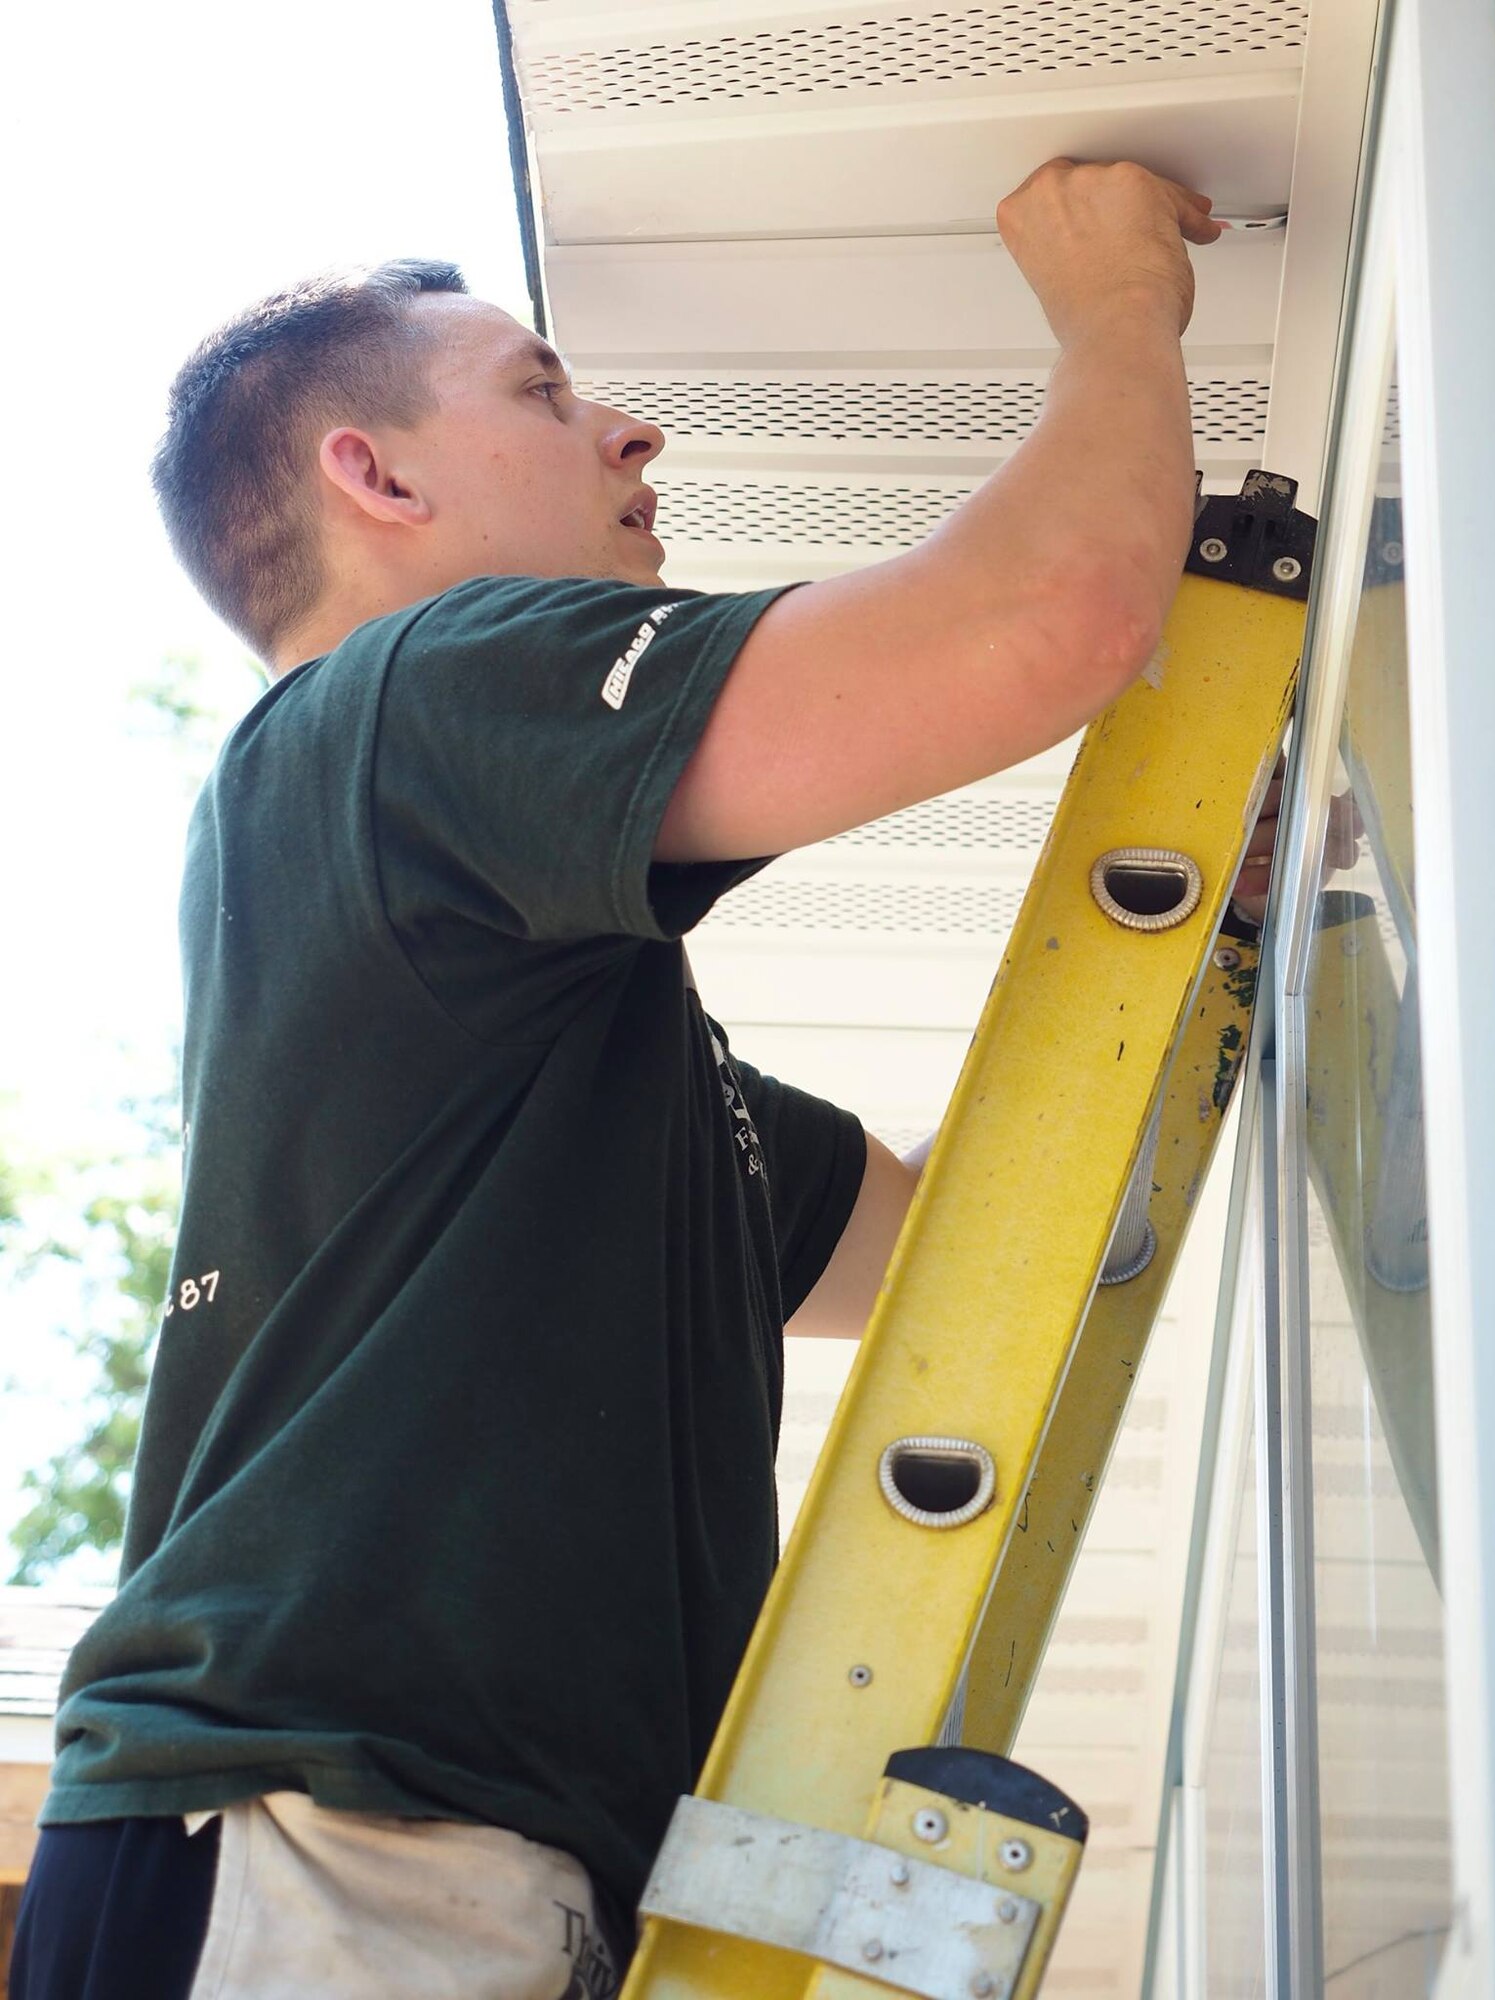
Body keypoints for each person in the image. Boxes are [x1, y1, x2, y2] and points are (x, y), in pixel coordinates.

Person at [12, 159, 1270, 1999]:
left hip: (406, 1857)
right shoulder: (409, 700)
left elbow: (963, 1249)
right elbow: (1048, 624)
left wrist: (1204, 942)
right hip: (328, 1851)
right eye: (540, 391)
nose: (628, 426)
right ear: (373, 476)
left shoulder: (558, 1071)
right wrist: (1112, 305)